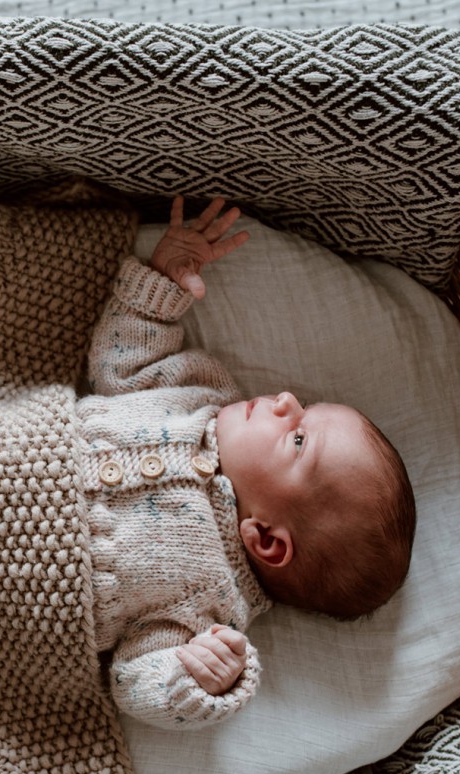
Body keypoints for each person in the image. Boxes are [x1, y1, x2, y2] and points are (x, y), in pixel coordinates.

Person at [83, 196, 416, 728]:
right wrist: (165, 281)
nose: (285, 400)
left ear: (266, 539)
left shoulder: (210, 604)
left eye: (299, 439)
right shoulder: (202, 395)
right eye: (303, 409)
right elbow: (121, 364)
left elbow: (132, 677)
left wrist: (196, 680)